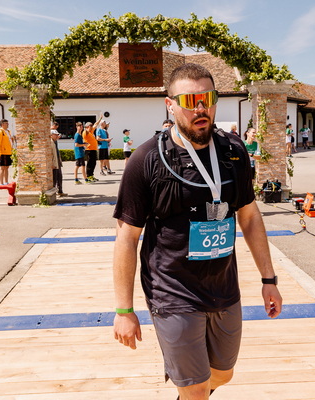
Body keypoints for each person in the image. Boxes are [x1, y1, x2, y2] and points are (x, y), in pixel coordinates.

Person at [112, 63, 282, 400]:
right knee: (196, 389)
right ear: (170, 105)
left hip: (223, 288)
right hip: (172, 290)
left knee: (222, 374)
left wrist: (268, 280)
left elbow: (249, 217)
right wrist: (124, 310)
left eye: (208, 98)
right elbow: (127, 238)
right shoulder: (146, 160)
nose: (201, 108)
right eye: (190, 100)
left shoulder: (233, 151)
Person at [83, 117, 103, 182]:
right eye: (90, 126)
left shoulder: (91, 132)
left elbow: (95, 124)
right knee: (90, 163)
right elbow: (85, 131)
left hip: (94, 150)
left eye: (91, 126)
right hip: (89, 150)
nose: (91, 127)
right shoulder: (85, 133)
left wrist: (100, 119)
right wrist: (86, 128)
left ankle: (91, 175)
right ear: (87, 127)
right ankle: (88, 176)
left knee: (93, 163)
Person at [0, 119, 13, 185]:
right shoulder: (0, 132)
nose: (8, 124)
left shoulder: (8, 131)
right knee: (2, 167)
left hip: (8, 152)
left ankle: (6, 182)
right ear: (2, 124)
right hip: (3, 152)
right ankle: (1, 183)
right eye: (6, 123)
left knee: (7, 167)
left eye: (7, 123)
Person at [50, 122, 66, 197]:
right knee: (54, 178)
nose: (57, 136)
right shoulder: (50, 142)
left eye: (57, 135)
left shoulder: (55, 141)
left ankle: (60, 191)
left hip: (57, 162)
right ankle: (54, 193)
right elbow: (50, 154)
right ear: (51, 135)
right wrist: (52, 163)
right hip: (54, 163)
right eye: (55, 135)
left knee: (59, 177)